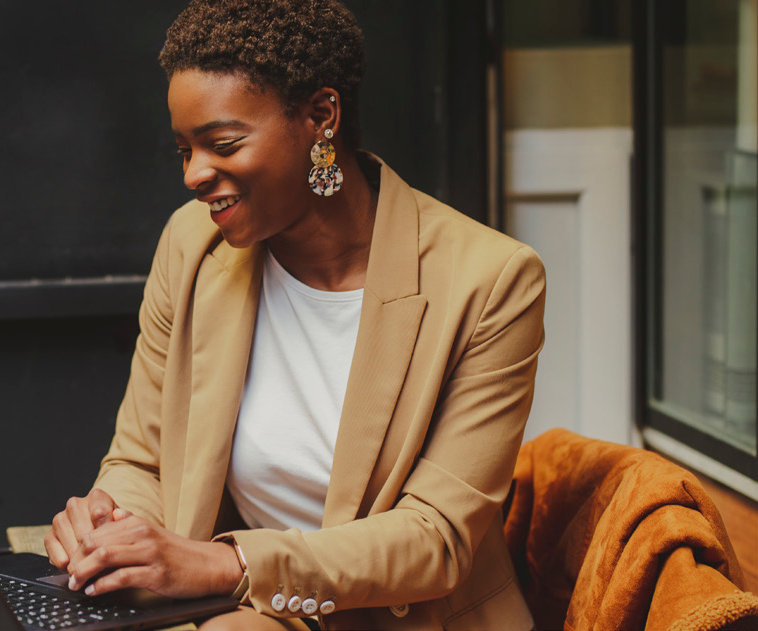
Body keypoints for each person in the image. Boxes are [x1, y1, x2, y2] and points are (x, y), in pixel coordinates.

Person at [46, 1, 545, 629]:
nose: (195, 174)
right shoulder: (192, 245)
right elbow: (142, 459)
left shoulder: (491, 280)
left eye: (222, 143)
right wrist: (107, 523)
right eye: (183, 150)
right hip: (258, 611)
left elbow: (433, 538)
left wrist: (226, 566)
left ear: (320, 117)